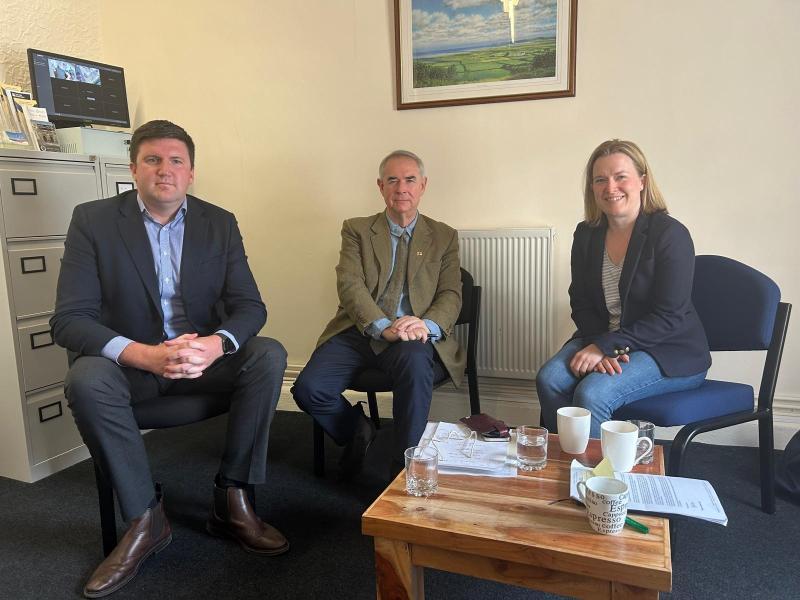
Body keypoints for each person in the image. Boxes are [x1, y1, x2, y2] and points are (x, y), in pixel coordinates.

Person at [51, 120, 289, 599]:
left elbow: (250, 306)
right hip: (134, 367)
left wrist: (214, 344)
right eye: (153, 160)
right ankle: (145, 519)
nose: (166, 170)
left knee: (267, 354)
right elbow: (69, 321)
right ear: (133, 168)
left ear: (191, 172)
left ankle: (233, 497)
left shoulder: (218, 222)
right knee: (86, 378)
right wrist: (145, 356)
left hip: (202, 364)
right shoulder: (92, 221)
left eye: (176, 161)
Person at [292, 150, 464, 477]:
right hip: (360, 332)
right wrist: (382, 325)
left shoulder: (444, 236)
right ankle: (360, 431)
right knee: (308, 388)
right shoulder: (356, 230)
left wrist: (425, 325)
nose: (401, 188)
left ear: (423, 185)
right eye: (393, 180)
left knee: (416, 362)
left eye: (410, 179)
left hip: (412, 339)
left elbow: (451, 293)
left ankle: (406, 466)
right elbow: (350, 283)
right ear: (380, 186)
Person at [535, 139, 711, 438]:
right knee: (549, 378)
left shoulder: (670, 234)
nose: (610, 187)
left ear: (642, 180)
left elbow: (669, 316)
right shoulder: (587, 234)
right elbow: (580, 300)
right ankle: (564, 465)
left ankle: (596, 479)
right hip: (605, 338)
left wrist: (609, 347)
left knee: (593, 394)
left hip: (668, 349)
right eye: (600, 180)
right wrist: (601, 344)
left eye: (620, 177)